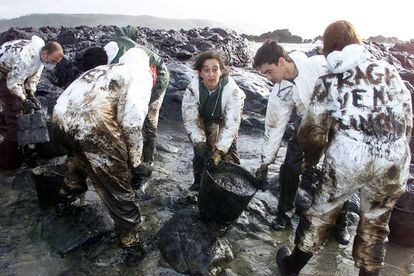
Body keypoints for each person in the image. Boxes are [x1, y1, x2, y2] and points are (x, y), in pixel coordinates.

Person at [276, 20, 412, 276]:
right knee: (376, 223)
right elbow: (407, 117)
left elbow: (312, 131)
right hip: (393, 156)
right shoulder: (389, 71)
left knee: (321, 213)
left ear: (328, 48)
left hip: (350, 156)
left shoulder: (330, 80)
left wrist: (312, 160)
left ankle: (291, 266)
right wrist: (398, 150)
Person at [52, 48, 154, 266]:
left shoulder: (105, 69)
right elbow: (132, 122)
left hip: (59, 117)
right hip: (93, 123)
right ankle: (130, 242)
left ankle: (67, 198)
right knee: (116, 183)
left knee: (78, 158)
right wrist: (135, 162)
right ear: (147, 66)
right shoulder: (140, 74)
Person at [253, 40, 351, 244]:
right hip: (305, 122)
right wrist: (265, 162)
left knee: (339, 171)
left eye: (269, 72)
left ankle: (340, 224)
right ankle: (283, 215)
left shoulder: (318, 65)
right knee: (289, 166)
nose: (269, 78)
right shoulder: (279, 91)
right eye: (265, 75)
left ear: (281, 61)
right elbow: (274, 127)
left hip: (335, 122)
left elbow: (347, 89)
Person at [82, 26, 170, 180]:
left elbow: (132, 101)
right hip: (132, 80)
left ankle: (147, 163)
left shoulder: (119, 62)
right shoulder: (104, 55)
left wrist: (144, 103)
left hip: (157, 79)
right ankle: (129, 160)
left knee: (147, 123)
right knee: (122, 119)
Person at [182, 51, 245, 191]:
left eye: (215, 69)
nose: (211, 74)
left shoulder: (232, 91)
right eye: (206, 70)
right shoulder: (192, 90)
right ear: (200, 73)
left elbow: (230, 125)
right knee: (201, 148)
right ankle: (199, 180)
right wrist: (199, 142)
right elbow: (191, 120)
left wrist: (220, 151)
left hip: (227, 114)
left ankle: (232, 183)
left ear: (221, 71)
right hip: (204, 115)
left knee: (229, 148)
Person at [0, 36, 63, 170]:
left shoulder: (41, 58)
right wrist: (23, 99)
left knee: (19, 107)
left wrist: (31, 94)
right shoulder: (27, 56)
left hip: (13, 72)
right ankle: (8, 161)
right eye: (52, 61)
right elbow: (12, 83)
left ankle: (7, 133)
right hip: (3, 72)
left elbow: (33, 78)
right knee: (14, 113)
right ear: (45, 54)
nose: (53, 65)